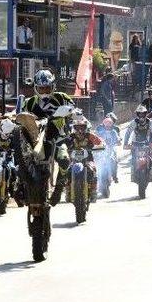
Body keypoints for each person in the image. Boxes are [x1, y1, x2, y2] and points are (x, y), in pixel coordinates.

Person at [22, 69, 75, 205]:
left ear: (53, 86)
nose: (44, 91)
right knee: (20, 162)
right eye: (41, 88)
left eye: (47, 88)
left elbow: (74, 109)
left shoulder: (61, 97)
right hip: (35, 141)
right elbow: (19, 116)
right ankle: (19, 187)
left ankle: (58, 188)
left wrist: (70, 112)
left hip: (58, 137)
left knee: (64, 160)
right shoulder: (30, 102)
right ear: (36, 88)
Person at [64, 115, 105, 203]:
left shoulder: (90, 135)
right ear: (74, 128)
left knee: (93, 170)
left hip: (88, 160)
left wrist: (101, 145)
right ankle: (67, 191)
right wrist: (62, 148)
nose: (80, 130)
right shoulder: (71, 137)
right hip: (73, 160)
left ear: (85, 128)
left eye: (82, 127)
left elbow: (100, 141)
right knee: (67, 171)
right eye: (77, 128)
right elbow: (64, 143)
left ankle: (93, 191)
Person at [123, 105, 152, 182]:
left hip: (146, 143)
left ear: (146, 114)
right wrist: (125, 143)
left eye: (143, 113)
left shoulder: (149, 121)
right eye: (139, 114)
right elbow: (128, 132)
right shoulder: (134, 122)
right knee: (133, 160)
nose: (141, 115)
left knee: (150, 158)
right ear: (137, 114)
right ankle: (133, 176)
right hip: (135, 143)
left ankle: (150, 175)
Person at [96, 117, 121, 183]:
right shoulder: (101, 132)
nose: (108, 127)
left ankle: (114, 176)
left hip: (111, 149)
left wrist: (118, 141)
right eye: (106, 125)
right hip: (102, 150)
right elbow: (97, 138)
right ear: (104, 125)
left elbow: (118, 138)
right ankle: (97, 175)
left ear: (112, 125)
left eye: (109, 125)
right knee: (97, 160)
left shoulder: (114, 132)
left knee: (114, 161)